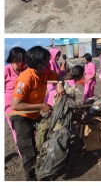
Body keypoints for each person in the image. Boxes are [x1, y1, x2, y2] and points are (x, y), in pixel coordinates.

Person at [10, 46, 65, 180]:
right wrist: (41, 106)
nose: (48, 64)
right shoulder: (26, 78)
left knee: (40, 144)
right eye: (46, 62)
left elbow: (59, 76)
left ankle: (41, 170)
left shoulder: (44, 72)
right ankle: (31, 179)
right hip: (21, 118)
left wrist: (60, 84)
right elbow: (15, 105)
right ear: (38, 64)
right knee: (28, 153)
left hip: (34, 115)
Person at [4, 47, 27, 151]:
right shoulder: (5, 70)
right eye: (21, 60)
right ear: (14, 59)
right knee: (18, 131)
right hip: (10, 106)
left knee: (30, 129)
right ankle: (24, 156)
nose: (23, 62)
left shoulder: (24, 71)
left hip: (24, 104)